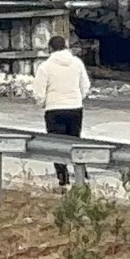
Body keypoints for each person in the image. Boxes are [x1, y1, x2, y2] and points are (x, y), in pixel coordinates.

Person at [33, 35, 92, 187]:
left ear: (50, 49)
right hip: (75, 108)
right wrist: (78, 98)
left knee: (57, 145)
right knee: (75, 140)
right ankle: (81, 174)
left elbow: (39, 92)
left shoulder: (45, 66)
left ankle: (63, 178)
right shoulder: (77, 63)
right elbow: (85, 86)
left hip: (54, 109)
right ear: (65, 46)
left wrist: (43, 103)